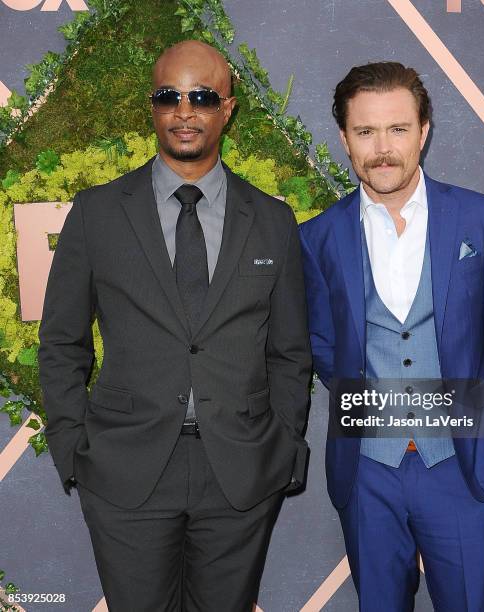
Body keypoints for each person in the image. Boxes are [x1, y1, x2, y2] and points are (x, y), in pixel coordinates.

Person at [38, 40, 311, 612]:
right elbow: (62, 342)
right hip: (124, 471)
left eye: (203, 96)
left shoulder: (273, 221)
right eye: (170, 96)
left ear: (228, 108)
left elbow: (290, 352)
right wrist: (72, 447)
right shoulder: (96, 213)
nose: (185, 111)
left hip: (239, 472)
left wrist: (281, 446)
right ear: (153, 106)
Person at [299, 62, 484, 611]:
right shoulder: (317, 238)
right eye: (365, 132)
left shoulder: (479, 218)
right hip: (368, 473)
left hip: (462, 468)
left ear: (423, 132)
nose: (383, 148)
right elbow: (325, 347)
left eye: (398, 129)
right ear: (345, 138)